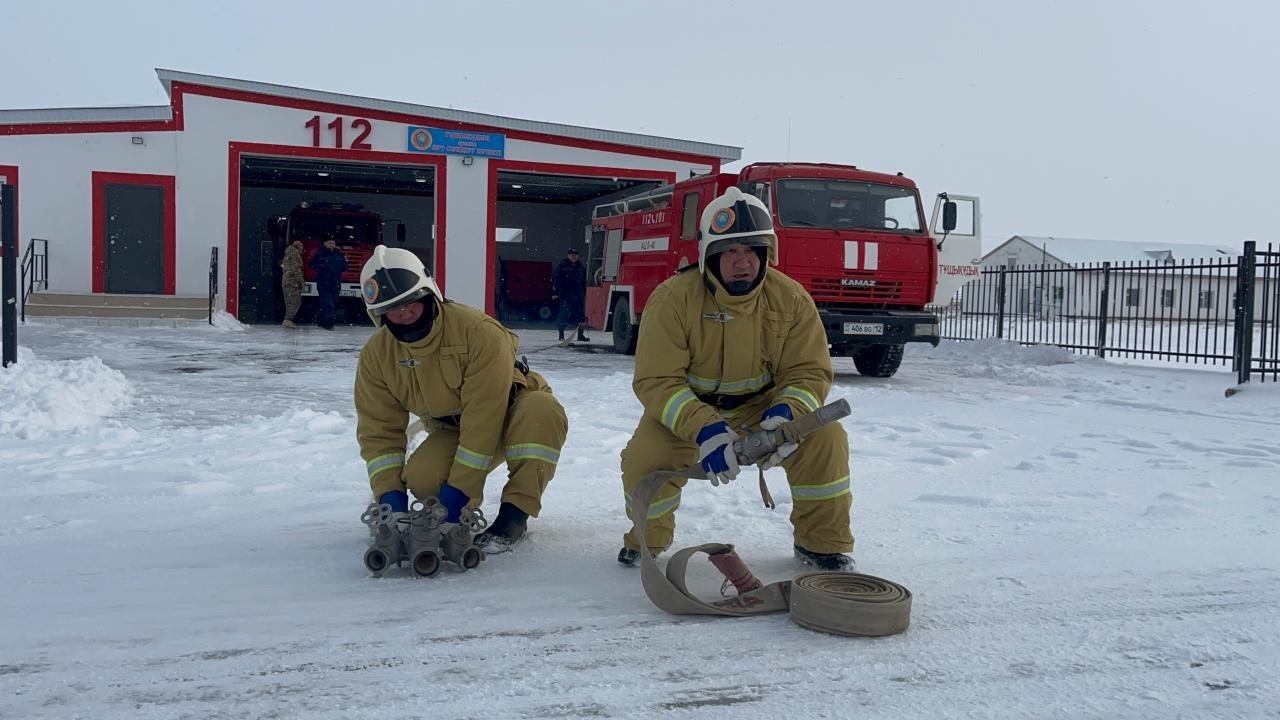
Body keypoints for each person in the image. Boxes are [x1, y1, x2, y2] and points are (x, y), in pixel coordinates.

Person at [616, 187, 855, 571]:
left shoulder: (792, 299)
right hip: (689, 412)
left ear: (766, 255)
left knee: (827, 440)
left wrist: (788, 413)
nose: (741, 262)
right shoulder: (672, 299)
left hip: (765, 410)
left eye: (750, 251)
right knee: (646, 458)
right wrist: (706, 430)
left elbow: (808, 372)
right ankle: (647, 539)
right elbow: (658, 381)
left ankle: (821, 544)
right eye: (729, 251)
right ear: (710, 255)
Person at [354, 245, 569, 554]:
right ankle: (459, 514)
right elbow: (378, 434)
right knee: (423, 478)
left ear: (429, 293)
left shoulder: (478, 333)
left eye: (412, 300)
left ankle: (513, 517)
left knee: (541, 412)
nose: (404, 312)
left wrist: (455, 500)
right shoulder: (377, 357)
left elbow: (483, 420)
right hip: (450, 427)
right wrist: (391, 500)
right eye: (393, 306)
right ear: (377, 313)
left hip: (512, 411)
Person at [309, 235, 348, 330]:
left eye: (333, 243)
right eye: (330, 243)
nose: (332, 245)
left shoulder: (339, 254)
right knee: (328, 304)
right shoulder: (319, 254)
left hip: (336, 283)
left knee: (333, 303)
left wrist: (345, 265)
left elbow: (344, 266)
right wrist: (323, 266)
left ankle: (320, 320)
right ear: (325, 244)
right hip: (323, 282)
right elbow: (312, 265)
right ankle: (329, 324)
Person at [553, 248, 588, 342]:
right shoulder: (563, 265)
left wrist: (585, 292)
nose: (574, 256)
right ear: (568, 256)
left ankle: (580, 335)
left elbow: (584, 281)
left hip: (578, 294)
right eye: (572, 255)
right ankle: (561, 335)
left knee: (580, 315)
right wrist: (555, 292)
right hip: (566, 294)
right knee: (564, 313)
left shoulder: (580, 267)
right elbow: (556, 279)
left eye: (575, 255)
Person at [280, 240, 304, 328]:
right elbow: (296, 270)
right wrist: (301, 281)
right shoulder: (295, 256)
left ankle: (288, 320)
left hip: (287, 282)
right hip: (293, 283)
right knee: (295, 302)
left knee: (289, 302)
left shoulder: (287, 255)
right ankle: (288, 320)